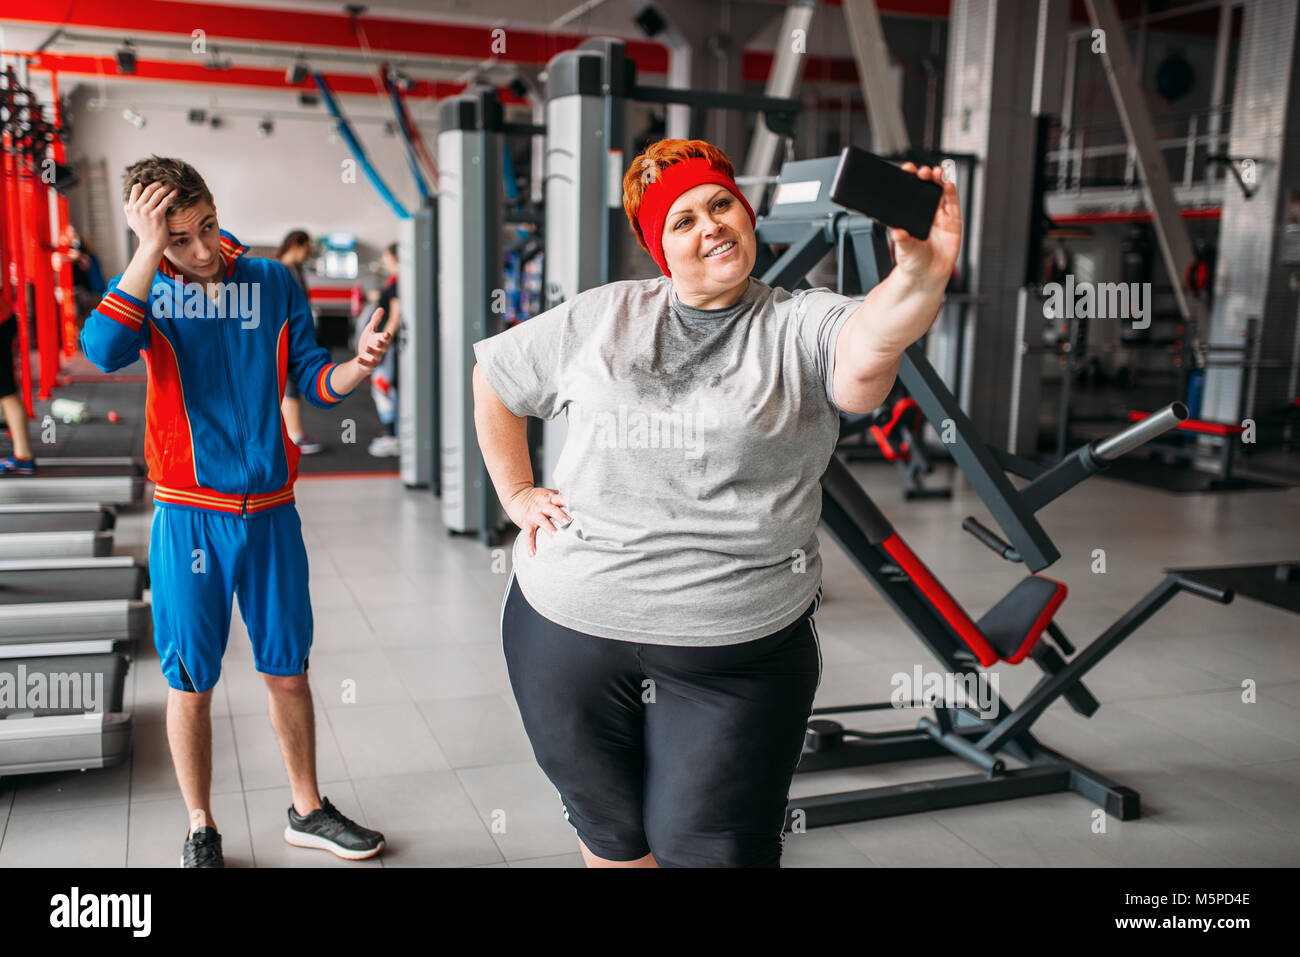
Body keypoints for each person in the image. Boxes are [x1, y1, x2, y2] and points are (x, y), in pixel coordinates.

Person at [472, 139, 960, 867]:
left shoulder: (798, 323)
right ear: (659, 250)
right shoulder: (606, 316)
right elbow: (497, 377)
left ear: (747, 211)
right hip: (563, 630)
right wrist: (515, 491)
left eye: (721, 204)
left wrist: (922, 270)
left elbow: (867, 349)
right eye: (684, 219)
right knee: (611, 839)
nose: (711, 225)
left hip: (735, 655)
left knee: (713, 851)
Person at [80, 156, 391, 868]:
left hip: (272, 511)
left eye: (206, 228)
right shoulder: (149, 287)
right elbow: (101, 349)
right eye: (177, 237)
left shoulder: (273, 279)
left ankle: (307, 808)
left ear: (218, 211)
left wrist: (358, 366)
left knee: (288, 667)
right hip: (189, 514)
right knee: (191, 680)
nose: (199, 251)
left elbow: (311, 372)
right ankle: (201, 824)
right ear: (154, 236)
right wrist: (146, 251)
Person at [276, 230, 323, 455]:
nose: (309, 251)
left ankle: (292, 434)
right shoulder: (281, 271)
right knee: (290, 385)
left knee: (290, 385)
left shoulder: (295, 270)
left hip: (294, 338)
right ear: (297, 245)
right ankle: (294, 435)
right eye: (308, 246)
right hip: (285, 338)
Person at [367, 243, 401, 458]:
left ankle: (393, 436)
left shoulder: (399, 284)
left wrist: (382, 344)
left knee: (384, 388)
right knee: (383, 388)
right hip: (388, 347)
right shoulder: (393, 282)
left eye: (386, 257)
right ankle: (392, 433)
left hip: (389, 347)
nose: (384, 261)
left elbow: (395, 317)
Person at [0, 289, 34, 474]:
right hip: (4, 318)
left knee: (6, 393)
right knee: (6, 392)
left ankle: (23, 455)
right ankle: (23, 455)